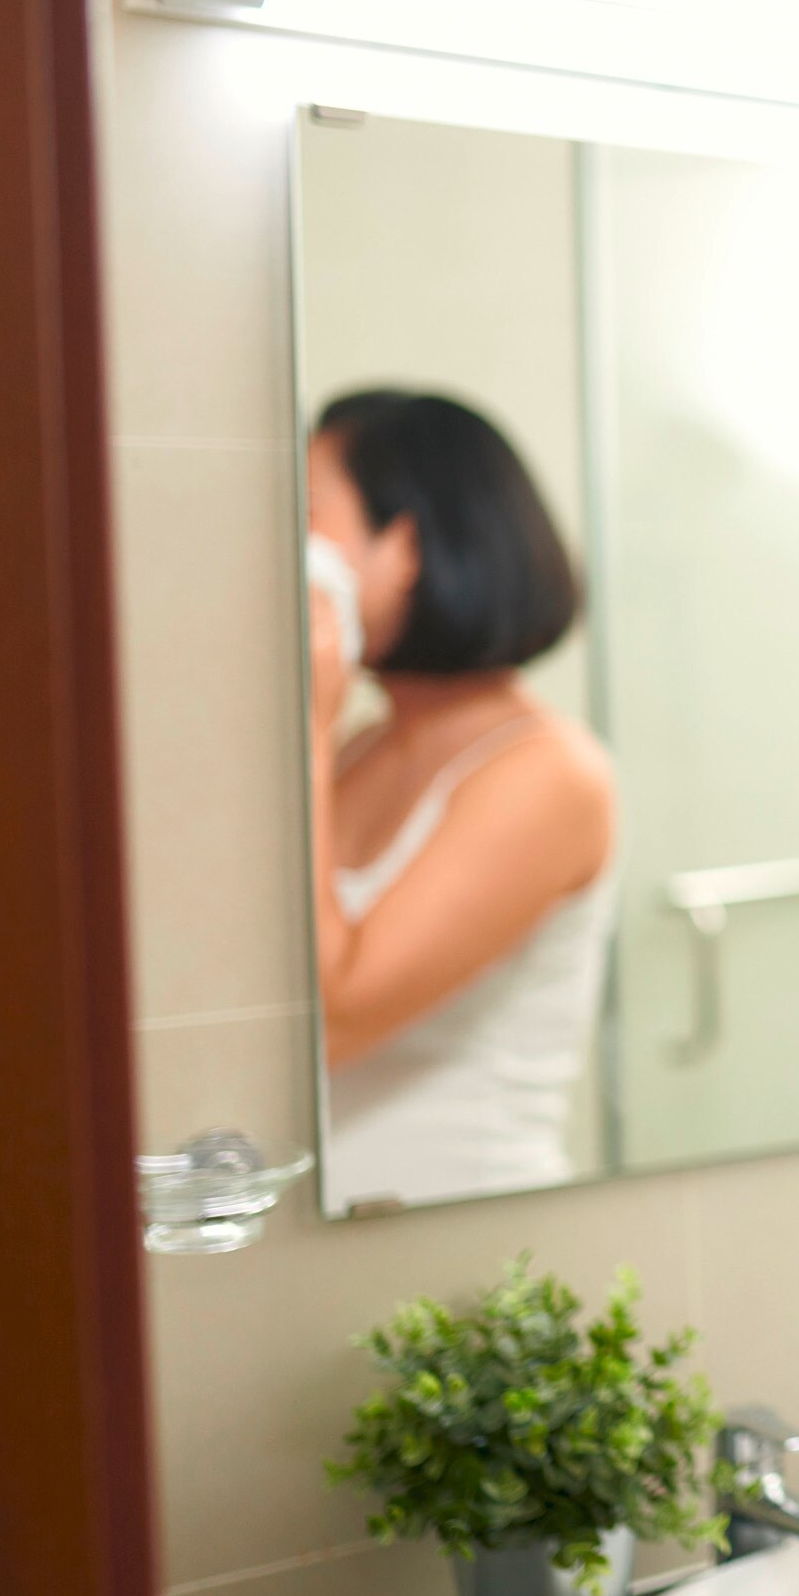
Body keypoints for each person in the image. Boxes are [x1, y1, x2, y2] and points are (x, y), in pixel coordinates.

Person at [303, 390, 618, 1210]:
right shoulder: (363, 749)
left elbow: (325, 1025)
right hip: (342, 1242)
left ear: (402, 544)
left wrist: (306, 718)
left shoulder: (548, 777)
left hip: (469, 1252)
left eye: (306, 517)